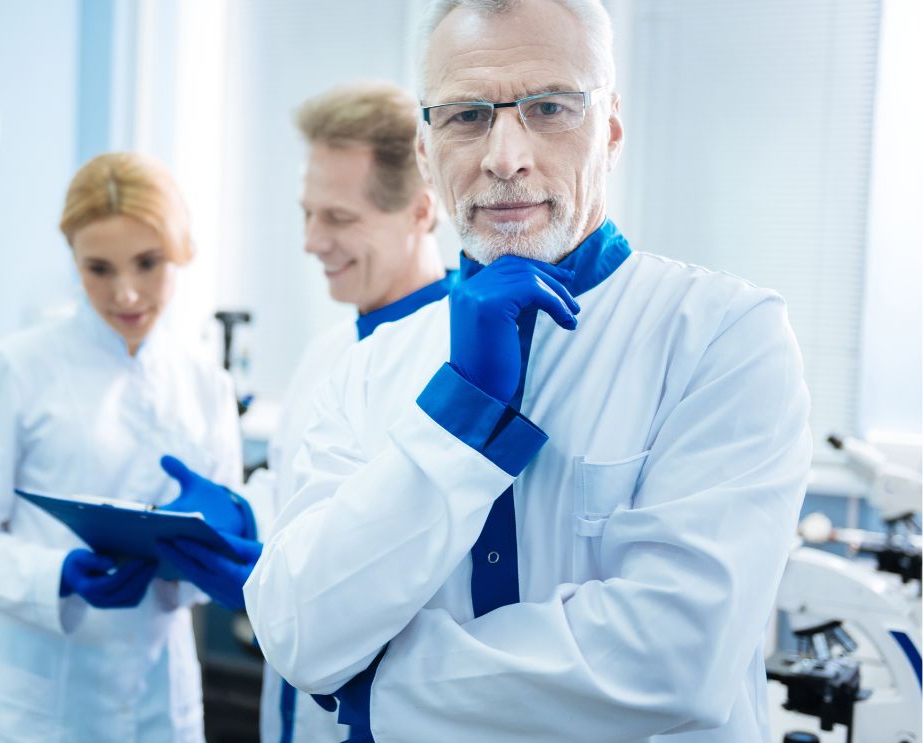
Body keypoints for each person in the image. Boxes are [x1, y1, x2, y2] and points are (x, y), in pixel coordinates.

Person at [244, 1, 813, 741]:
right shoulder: (371, 366)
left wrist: (382, 686)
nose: (504, 157)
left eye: (549, 108)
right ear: (424, 151)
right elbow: (296, 631)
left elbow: (673, 658)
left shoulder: (722, 336)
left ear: (609, 130)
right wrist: (458, 416)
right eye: (466, 116)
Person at [152, 81, 453, 743]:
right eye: (307, 213)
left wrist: (280, 592)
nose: (312, 241)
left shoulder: (462, 363)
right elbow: (300, 492)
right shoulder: (329, 350)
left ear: (421, 210)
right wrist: (235, 512)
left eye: (339, 219)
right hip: (290, 712)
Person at [0, 152, 248, 743]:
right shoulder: (18, 367)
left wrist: (214, 548)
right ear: (73, 261)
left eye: (148, 264)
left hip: (160, 695)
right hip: (33, 699)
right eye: (98, 269)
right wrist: (59, 574)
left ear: (179, 251)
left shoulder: (207, 383)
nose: (125, 293)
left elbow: (221, 548)